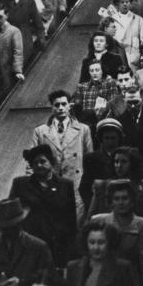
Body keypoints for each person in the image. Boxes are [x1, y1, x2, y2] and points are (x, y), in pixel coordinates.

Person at [93, 178, 143, 286]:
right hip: (101, 281)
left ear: (132, 201)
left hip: (130, 283)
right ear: (111, 202)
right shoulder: (98, 222)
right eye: (116, 199)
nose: (121, 203)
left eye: (125, 198)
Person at [10, 145, 77, 270]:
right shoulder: (21, 184)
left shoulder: (65, 185)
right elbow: (12, 215)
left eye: (43, 161)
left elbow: (71, 219)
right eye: (35, 163)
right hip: (32, 245)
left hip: (58, 245)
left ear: (51, 162)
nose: (39, 165)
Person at [32, 89, 93, 221]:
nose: (60, 108)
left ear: (69, 105)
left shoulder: (83, 129)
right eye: (57, 105)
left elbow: (90, 158)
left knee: (76, 224)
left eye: (64, 104)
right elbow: (32, 162)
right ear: (51, 107)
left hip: (76, 185)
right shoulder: (40, 131)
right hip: (50, 185)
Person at [0, 196, 55, 286]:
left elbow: (49, 277)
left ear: (21, 223)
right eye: (5, 227)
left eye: (13, 226)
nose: (9, 230)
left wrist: (21, 282)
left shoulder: (38, 247)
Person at [88, 145, 143, 237]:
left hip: (136, 235)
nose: (119, 166)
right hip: (108, 236)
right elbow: (91, 216)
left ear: (133, 164)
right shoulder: (102, 186)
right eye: (116, 162)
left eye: (124, 162)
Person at [79, 118, 124, 209]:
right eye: (106, 138)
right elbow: (84, 188)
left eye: (113, 138)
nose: (110, 142)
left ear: (119, 138)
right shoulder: (91, 159)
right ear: (101, 139)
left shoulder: (125, 156)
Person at [0, 4, 25, 99]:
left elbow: (18, 52)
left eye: (0, 17)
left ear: (7, 16)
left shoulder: (14, 32)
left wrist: (18, 71)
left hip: (7, 74)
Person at [4, 0, 45, 65]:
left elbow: (38, 23)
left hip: (24, 38)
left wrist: (41, 41)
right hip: (10, 40)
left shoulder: (28, 1)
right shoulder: (5, 2)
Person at [72, 58, 119, 132]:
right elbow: (77, 111)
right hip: (86, 125)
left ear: (102, 71)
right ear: (89, 72)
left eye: (97, 70)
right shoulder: (81, 87)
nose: (94, 73)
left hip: (105, 123)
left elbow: (113, 107)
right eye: (91, 71)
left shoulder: (110, 84)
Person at [110, 0, 143, 68]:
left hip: (134, 53)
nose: (125, 4)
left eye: (127, 2)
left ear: (130, 3)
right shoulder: (112, 19)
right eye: (122, 2)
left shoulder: (138, 19)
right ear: (117, 4)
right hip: (118, 53)